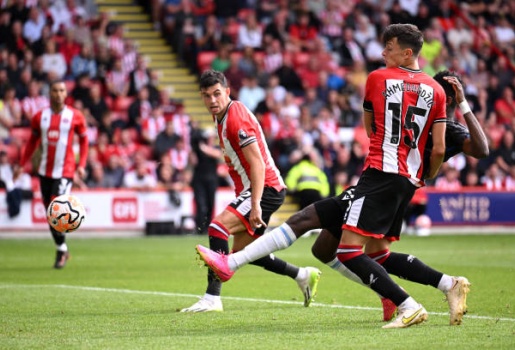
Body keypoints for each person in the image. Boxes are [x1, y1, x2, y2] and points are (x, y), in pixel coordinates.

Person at [198, 24, 453, 329]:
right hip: (404, 178)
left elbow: (371, 127)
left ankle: (407, 303)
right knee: (340, 249)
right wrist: (425, 172)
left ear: (406, 53)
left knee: (347, 249)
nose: (383, 52)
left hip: (379, 173)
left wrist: (384, 152)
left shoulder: (379, 78)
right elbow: (439, 149)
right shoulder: (435, 90)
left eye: (389, 47)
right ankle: (445, 285)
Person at [180, 70, 321, 313]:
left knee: (217, 228)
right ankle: (302, 275)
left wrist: (255, 203)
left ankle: (212, 298)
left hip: (264, 187)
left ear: (227, 92)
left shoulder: (235, 116)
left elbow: (256, 163)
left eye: (216, 94)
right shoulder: (221, 116)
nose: (212, 100)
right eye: (206, 96)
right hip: (259, 188)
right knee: (246, 252)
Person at [18, 80, 88, 269]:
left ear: (66, 94)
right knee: (51, 214)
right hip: (44, 171)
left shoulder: (75, 116)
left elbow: (84, 141)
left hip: (65, 170)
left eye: (62, 90)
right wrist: (22, 163)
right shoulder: (40, 117)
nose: (58, 94)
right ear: (49, 93)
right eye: (55, 90)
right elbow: (32, 142)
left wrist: (81, 164)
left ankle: (61, 251)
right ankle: (62, 248)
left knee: (57, 205)